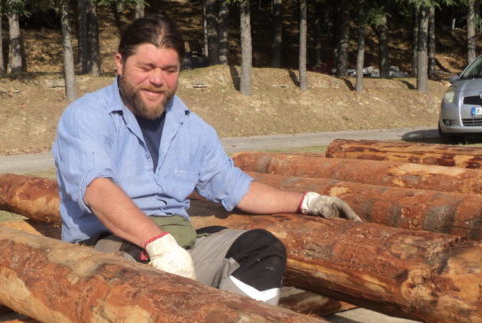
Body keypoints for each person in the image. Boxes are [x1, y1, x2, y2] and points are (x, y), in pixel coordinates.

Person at [52, 15, 360, 306]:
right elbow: (97, 190)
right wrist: (158, 244)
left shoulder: (192, 127)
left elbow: (235, 187)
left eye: (169, 70)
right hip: (109, 248)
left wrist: (309, 202)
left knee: (261, 248)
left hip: (179, 246)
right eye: (146, 67)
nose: (157, 80)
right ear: (119, 63)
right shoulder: (87, 117)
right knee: (154, 276)